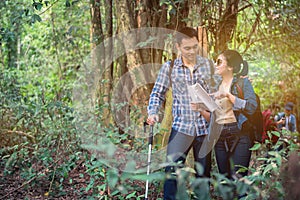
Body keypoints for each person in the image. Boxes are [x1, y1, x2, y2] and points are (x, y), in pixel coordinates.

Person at [147, 27, 215, 200]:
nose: (192, 51)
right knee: (171, 174)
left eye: (194, 47)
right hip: (181, 128)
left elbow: (217, 93)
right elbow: (157, 93)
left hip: (204, 129)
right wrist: (153, 112)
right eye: (187, 48)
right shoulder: (170, 67)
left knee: (203, 177)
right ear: (178, 47)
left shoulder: (207, 65)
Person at [210, 50, 257, 180]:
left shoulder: (242, 83)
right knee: (225, 181)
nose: (216, 64)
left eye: (219, 62)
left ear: (230, 66)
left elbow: (252, 107)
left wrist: (229, 96)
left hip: (239, 134)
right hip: (219, 135)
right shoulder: (214, 85)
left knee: (239, 179)